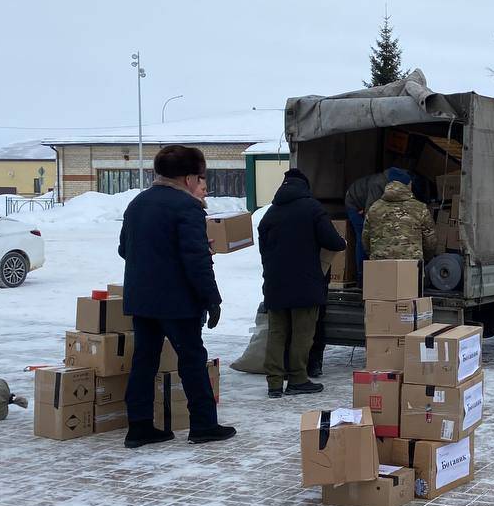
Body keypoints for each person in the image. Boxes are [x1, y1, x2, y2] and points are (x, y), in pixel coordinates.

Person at [118, 145, 235, 448]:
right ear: (188, 179)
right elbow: (196, 260)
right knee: (192, 360)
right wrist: (212, 298)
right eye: (200, 178)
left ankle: (140, 426)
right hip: (176, 302)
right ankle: (203, 425)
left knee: (144, 360)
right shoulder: (187, 208)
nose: (200, 184)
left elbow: (124, 250)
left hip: (142, 300)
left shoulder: (137, 203)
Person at [259, 169, 347, 398]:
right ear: (305, 187)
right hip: (305, 284)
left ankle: (275, 383)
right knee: (302, 334)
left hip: (275, 283)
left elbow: (264, 249)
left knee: (277, 333)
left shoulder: (271, 212)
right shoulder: (312, 209)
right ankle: (298, 379)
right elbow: (334, 242)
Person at [363, 168, 439, 261]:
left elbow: (366, 240)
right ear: (408, 185)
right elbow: (430, 242)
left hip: (380, 266)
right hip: (411, 265)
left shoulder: (374, 209)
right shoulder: (420, 209)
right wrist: (425, 259)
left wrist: (375, 255)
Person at [344, 169, 395, 273]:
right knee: (363, 236)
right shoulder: (378, 184)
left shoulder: (398, 182)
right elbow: (371, 212)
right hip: (354, 204)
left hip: (366, 202)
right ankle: (362, 276)